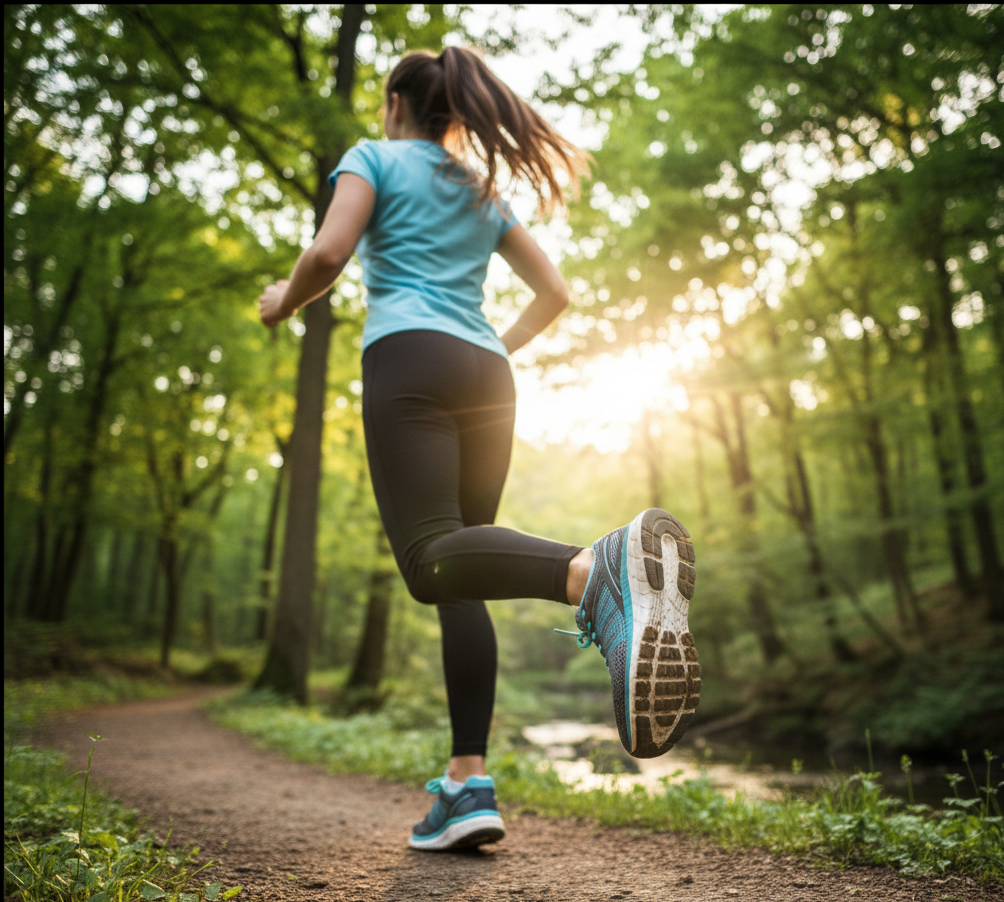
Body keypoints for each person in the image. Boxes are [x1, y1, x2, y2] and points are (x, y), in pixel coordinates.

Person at [259, 46, 701, 852]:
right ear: (457, 115)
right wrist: (493, 347)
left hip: (410, 360)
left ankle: (590, 570)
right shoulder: (480, 187)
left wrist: (282, 303)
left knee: (432, 559)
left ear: (396, 102)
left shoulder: (375, 157)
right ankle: (467, 787)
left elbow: (328, 254)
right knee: (464, 570)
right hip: (487, 375)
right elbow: (555, 293)